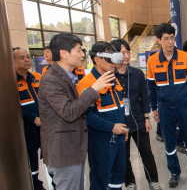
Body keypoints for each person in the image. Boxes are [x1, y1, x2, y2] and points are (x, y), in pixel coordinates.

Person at [39, 33, 113, 190]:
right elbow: (68, 112)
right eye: (79, 50)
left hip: (72, 150)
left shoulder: (67, 77)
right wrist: (94, 89)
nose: (82, 54)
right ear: (64, 53)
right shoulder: (51, 80)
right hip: (63, 152)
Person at [147, 23, 187, 188]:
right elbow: (151, 87)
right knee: (169, 143)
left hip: (184, 106)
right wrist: (154, 108)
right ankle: (174, 172)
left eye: (172, 38)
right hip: (164, 109)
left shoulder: (185, 57)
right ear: (159, 40)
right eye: (166, 39)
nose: (170, 42)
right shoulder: (152, 61)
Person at [76, 41, 129, 190]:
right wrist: (112, 127)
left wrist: (122, 129)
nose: (113, 63)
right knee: (100, 178)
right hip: (101, 140)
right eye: (109, 58)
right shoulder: (86, 84)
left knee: (118, 176)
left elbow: (119, 107)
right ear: (97, 59)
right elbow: (87, 115)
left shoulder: (113, 78)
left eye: (115, 58)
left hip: (118, 135)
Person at [110, 39, 162, 190]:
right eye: (122, 52)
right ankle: (130, 183)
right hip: (119, 123)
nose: (126, 55)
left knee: (146, 153)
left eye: (127, 51)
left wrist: (147, 118)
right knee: (123, 156)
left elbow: (144, 97)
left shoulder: (137, 73)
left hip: (138, 120)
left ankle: (153, 181)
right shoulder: (109, 76)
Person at [14, 47, 45, 190]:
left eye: (27, 57)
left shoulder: (36, 77)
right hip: (26, 127)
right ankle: (35, 185)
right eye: (22, 57)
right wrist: (33, 118)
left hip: (43, 125)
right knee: (31, 159)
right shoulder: (10, 82)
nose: (27, 60)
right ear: (12, 61)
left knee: (48, 156)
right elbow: (14, 108)